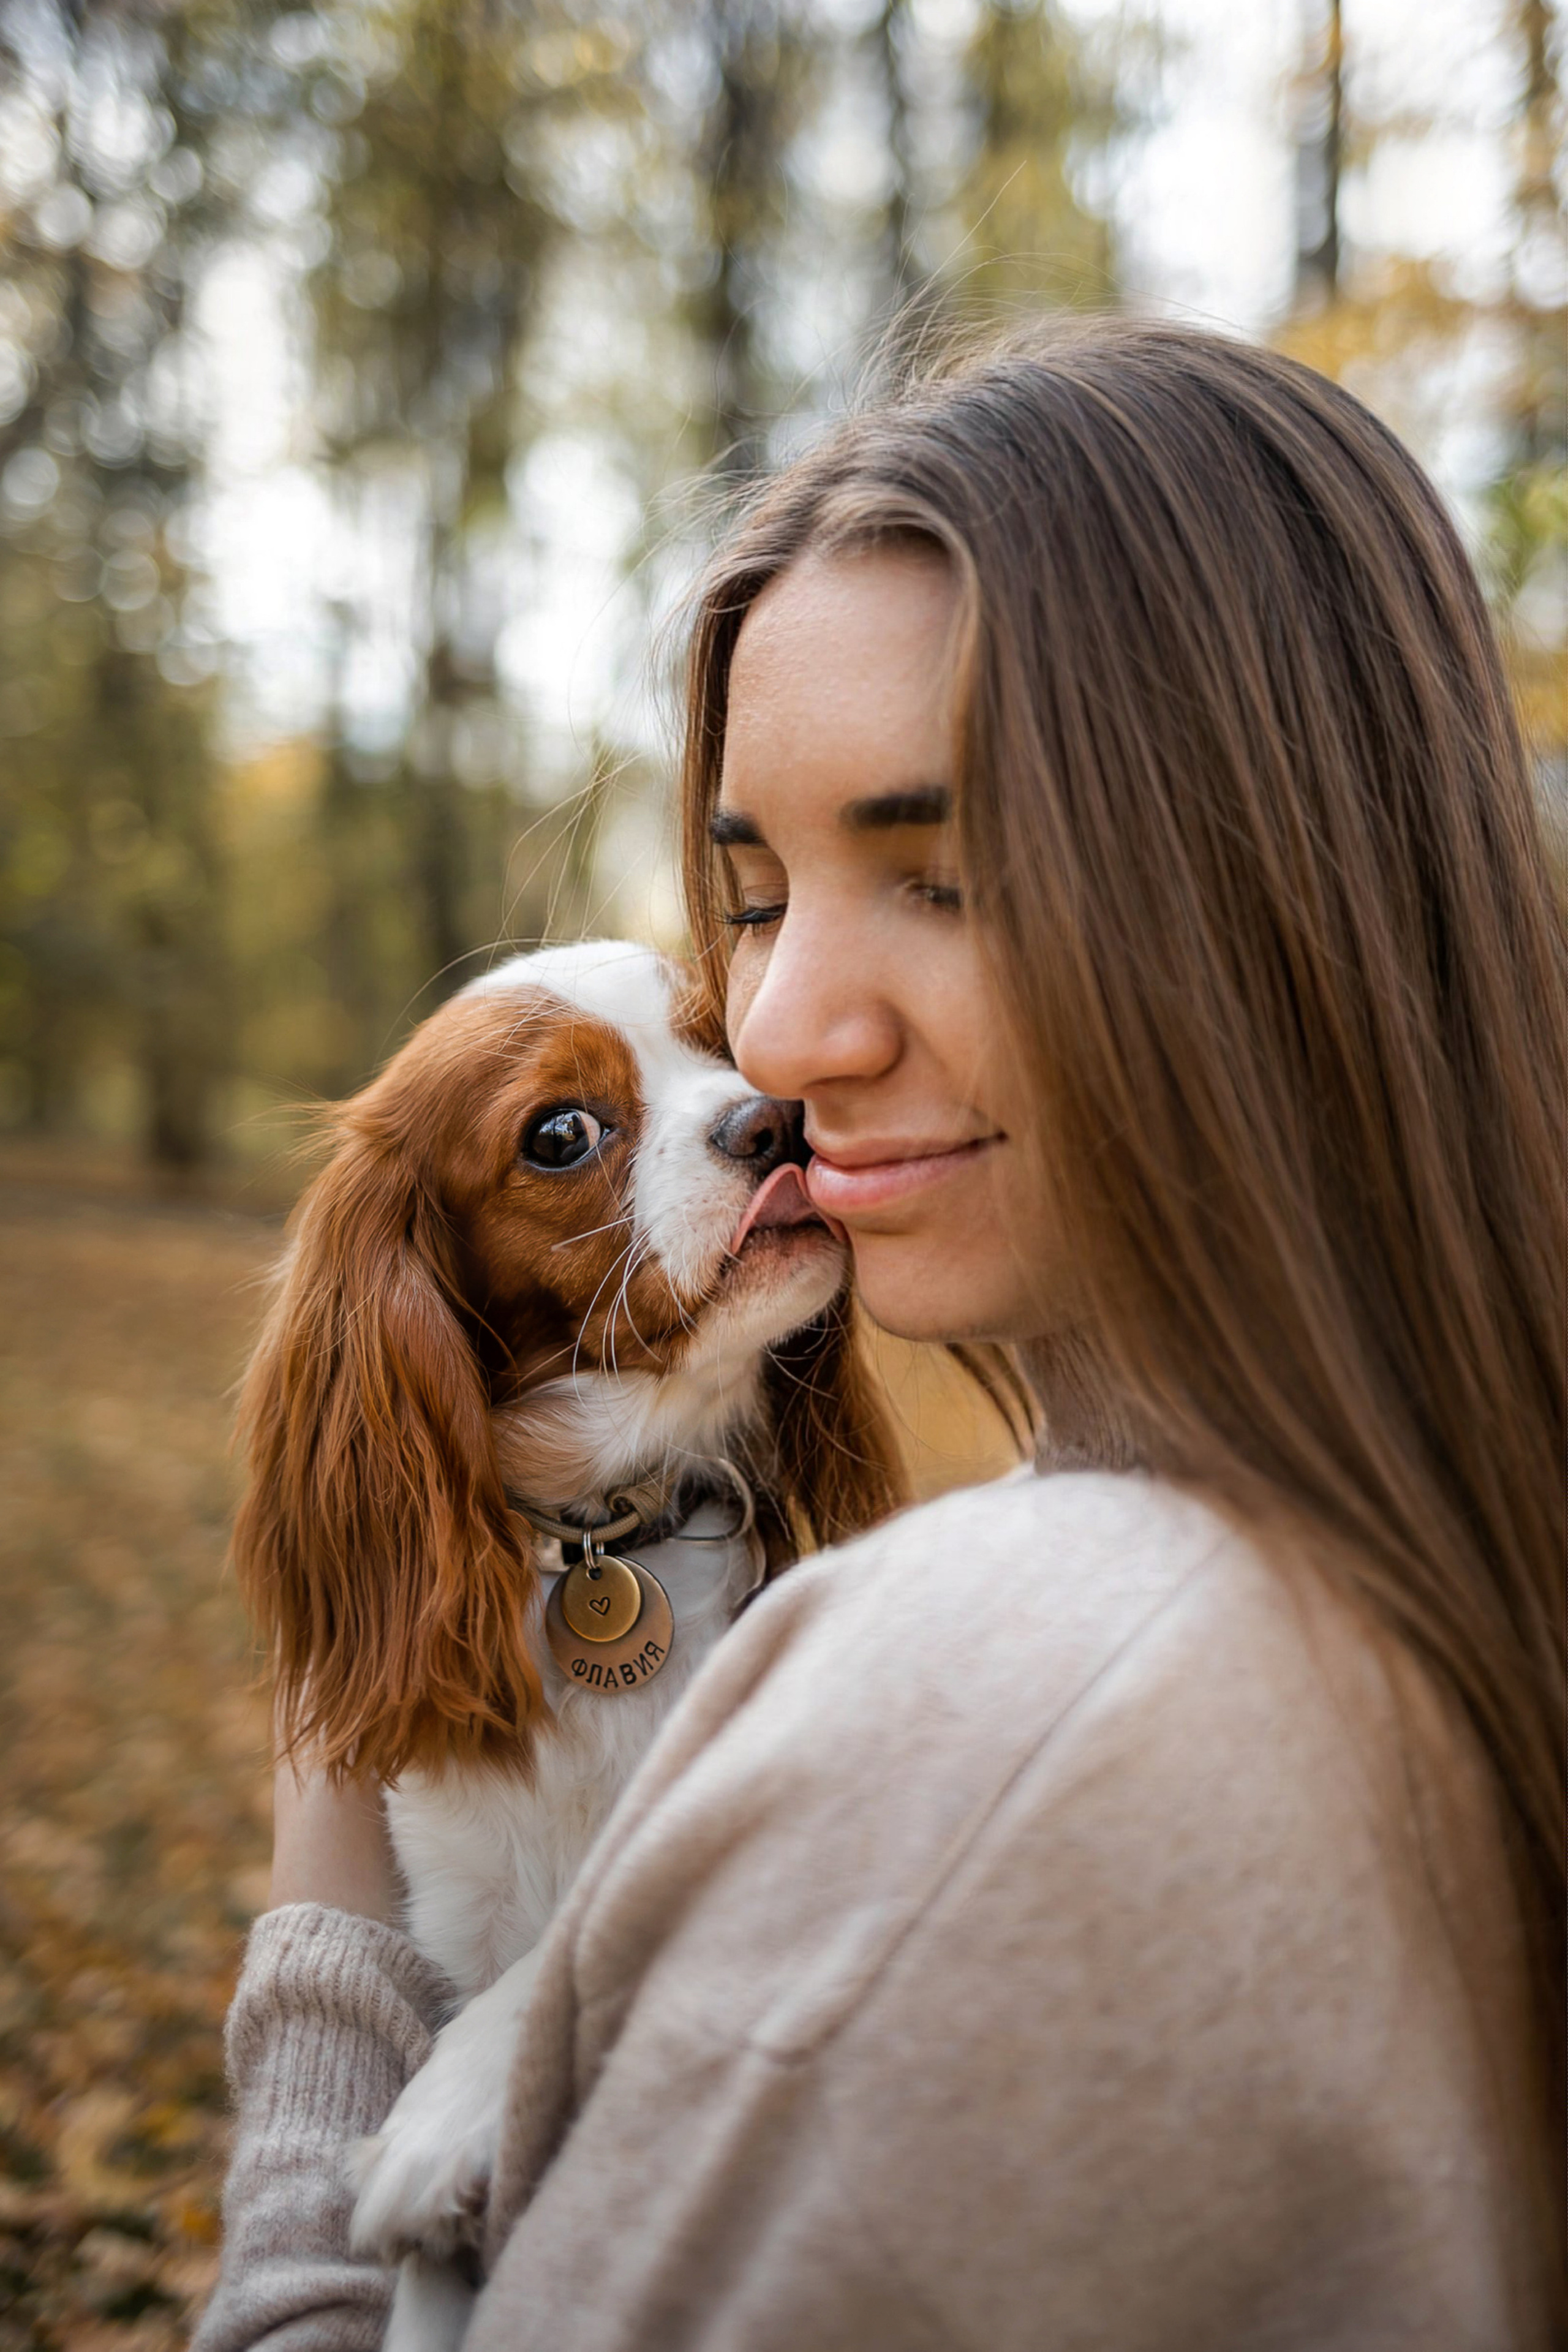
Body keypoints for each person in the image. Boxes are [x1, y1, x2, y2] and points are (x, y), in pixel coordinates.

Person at [195, 319, 1566, 2351]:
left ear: (1281, 897)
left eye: (948, 875)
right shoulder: (1449, 1537)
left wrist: (324, 1930)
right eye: (756, 894)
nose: (778, 1043)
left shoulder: (996, 1694)